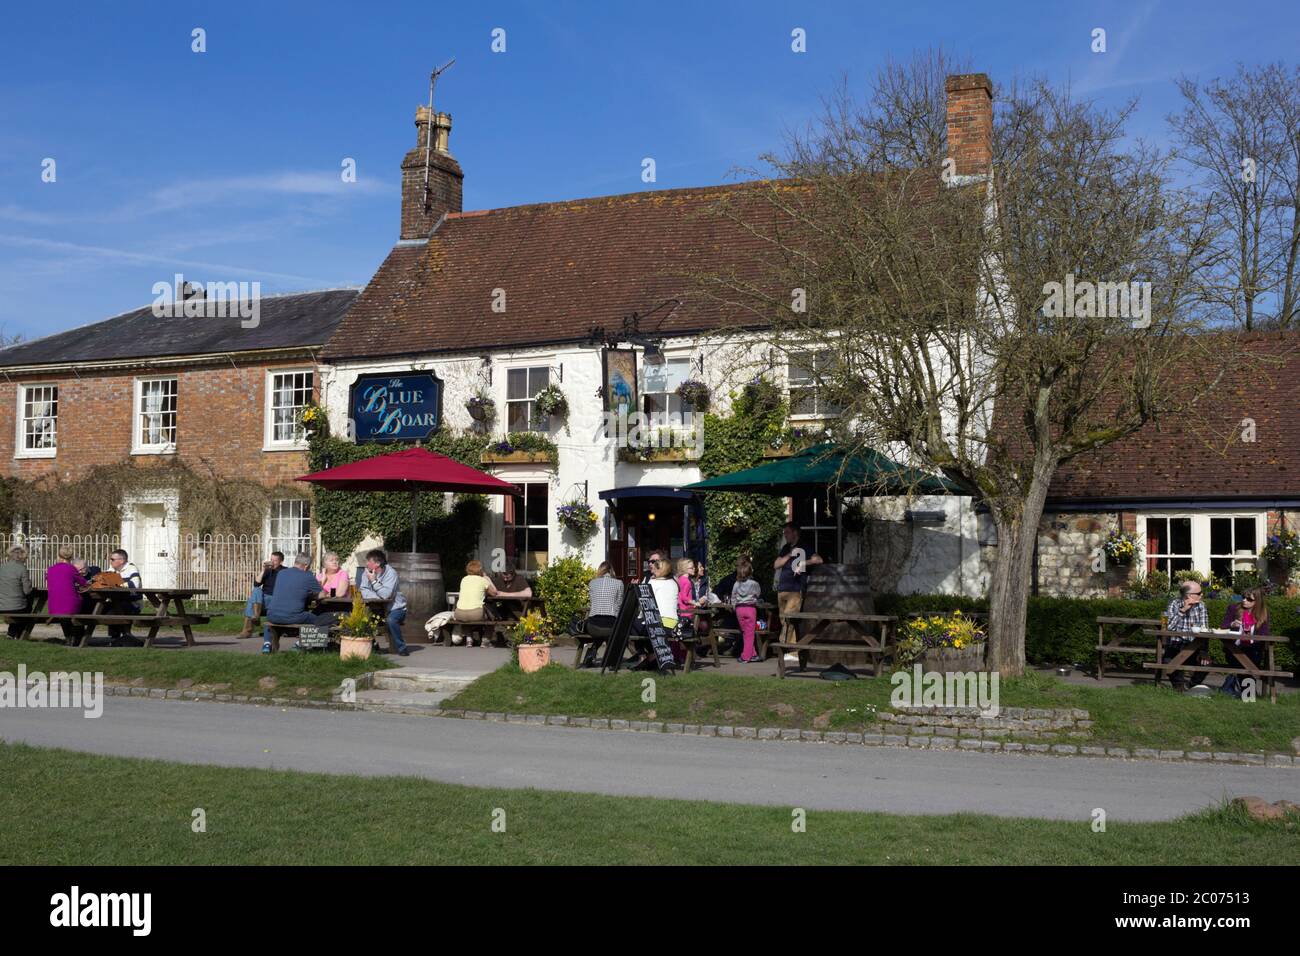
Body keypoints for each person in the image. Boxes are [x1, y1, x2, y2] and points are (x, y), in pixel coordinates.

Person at [262, 554, 336, 654]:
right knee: (322, 620)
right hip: (293, 616)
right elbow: (323, 594)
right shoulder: (307, 576)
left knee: (281, 615)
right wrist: (322, 583)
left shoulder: (281, 573)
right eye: (309, 566)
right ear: (306, 566)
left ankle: (267, 644)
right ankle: (300, 644)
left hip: (271, 615)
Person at [774, 522, 822, 658]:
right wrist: (789, 555)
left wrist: (804, 563)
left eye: (787, 533)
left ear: (795, 533)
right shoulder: (786, 548)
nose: (785, 535)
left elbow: (819, 559)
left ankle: (782, 648)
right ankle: (793, 653)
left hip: (796, 589)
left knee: (789, 619)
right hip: (782, 589)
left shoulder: (804, 547)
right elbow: (776, 564)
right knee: (785, 621)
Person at [1219, 587, 1270, 697]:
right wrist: (1232, 624)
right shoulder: (1233, 608)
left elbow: (1265, 634)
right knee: (1242, 662)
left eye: (1249, 599)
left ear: (1257, 601)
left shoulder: (1262, 613)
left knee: (1249, 660)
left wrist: (1252, 637)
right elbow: (1223, 627)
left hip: (1254, 648)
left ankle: (1242, 692)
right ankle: (1248, 694)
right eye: (1243, 598)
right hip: (1234, 647)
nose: (1244, 601)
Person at [1162, 579, 1210, 690]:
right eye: (1199, 593)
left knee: (1207, 664)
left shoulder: (1201, 606)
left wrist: (1204, 651)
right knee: (1168, 662)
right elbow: (1168, 628)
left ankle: (1191, 686)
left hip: (1194, 647)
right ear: (1189, 595)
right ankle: (1179, 687)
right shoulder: (1174, 604)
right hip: (1175, 645)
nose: (1202, 595)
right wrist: (1182, 610)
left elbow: (1204, 630)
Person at [359, 549, 409, 657]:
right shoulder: (366, 572)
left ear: (377, 563)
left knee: (391, 620)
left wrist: (373, 581)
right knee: (363, 619)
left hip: (396, 608)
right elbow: (363, 590)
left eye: (369, 561)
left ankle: (401, 647)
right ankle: (371, 645)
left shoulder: (391, 573)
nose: (366, 563)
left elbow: (386, 595)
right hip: (375, 607)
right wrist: (378, 596)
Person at [583, 562, 624, 667]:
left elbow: (592, 603)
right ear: (612, 571)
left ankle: (591, 653)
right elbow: (619, 606)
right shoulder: (619, 583)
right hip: (611, 626)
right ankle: (612, 659)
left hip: (593, 626)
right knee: (609, 630)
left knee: (600, 630)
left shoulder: (592, 583)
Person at [46, 547, 88, 646]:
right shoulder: (71, 568)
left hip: (53, 605)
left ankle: (68, 638)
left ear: (59, 556)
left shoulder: (50, 569)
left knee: (64, 617)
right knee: (82, 606)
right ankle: (77, 638)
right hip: (70, 605)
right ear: (71, 557)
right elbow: (83, 583)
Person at [453, 559, 499, 645]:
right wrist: (487, 578)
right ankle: (485, 640)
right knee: (491, 618)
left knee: (465, 617)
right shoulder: (482, 580)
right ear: (480, 570)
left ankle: (469, 639)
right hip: (476, 613)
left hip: (459, 613)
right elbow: (494, 593)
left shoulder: (464, 579)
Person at [103, 548, 143, 646]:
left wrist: (118, 585)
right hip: (117, 601)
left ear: (121, 560)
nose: (110, 561)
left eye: (112, 559)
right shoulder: (112, 569)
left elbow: (135, 584)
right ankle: (117, 637)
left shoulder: (131, 568)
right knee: (107, 607)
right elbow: (104, 581)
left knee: (117, 608)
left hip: (133, 604)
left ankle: (124, 636)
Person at [240, 551, 284, 639]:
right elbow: (256, 584)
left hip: (274, 599)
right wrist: (263, 570)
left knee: (251, 602)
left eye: (275, 560)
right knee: (256, 590)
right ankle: (256, 615)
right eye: (271, 560)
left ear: (281, 561)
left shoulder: (284, 571)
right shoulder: (267, 571)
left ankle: (247, 631)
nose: (272, 562)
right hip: (262, 600)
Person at [731, 558, 764, 662]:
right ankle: (746, 656)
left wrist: (733, 606)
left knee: (745, 632)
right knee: (750, 633)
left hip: (739, 609)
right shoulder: (754, 584)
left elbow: (733, 596)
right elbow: (758, 594)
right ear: (750, 572)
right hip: (750, 608)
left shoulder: (736, 584)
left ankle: (753, 654)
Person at [0, 546, 33, 639]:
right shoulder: (22, 569)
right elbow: (27, 591)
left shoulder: (2, 567)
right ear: (21, 557)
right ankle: (17, 634)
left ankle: (12, 633)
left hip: (1, 605)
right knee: (28, 608)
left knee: (21, 609)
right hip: (17, 606)